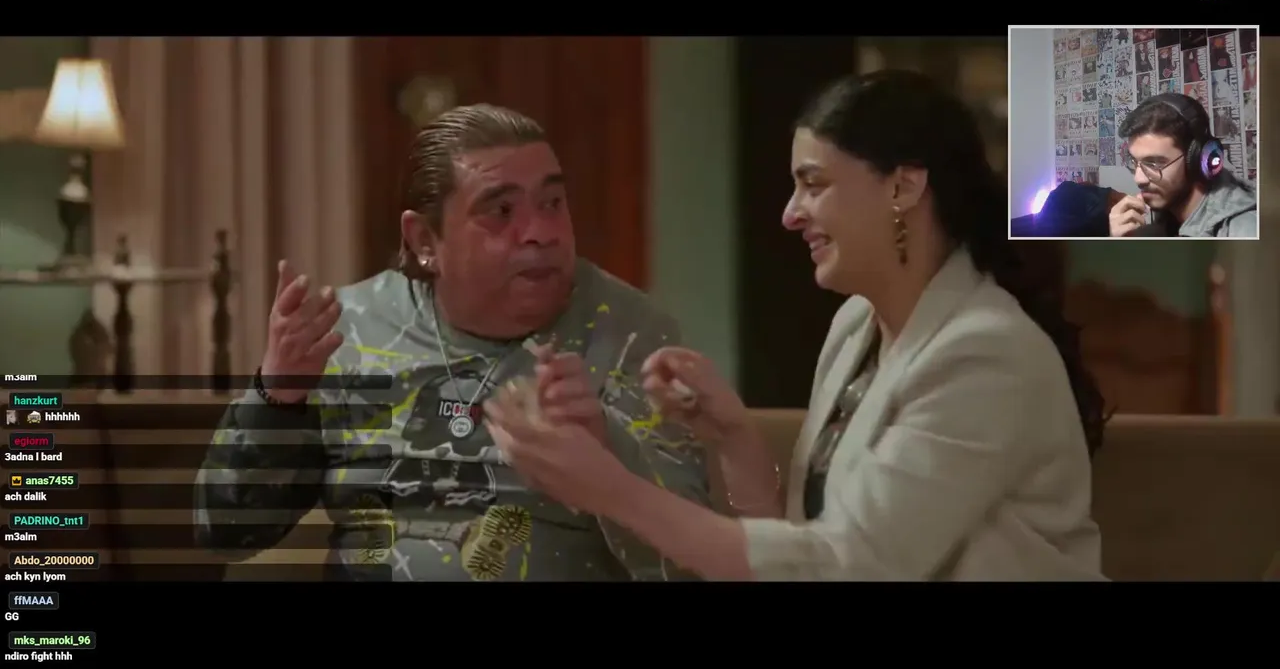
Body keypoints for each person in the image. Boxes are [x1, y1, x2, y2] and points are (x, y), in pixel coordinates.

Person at [485, 70, 1109, 581]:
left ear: (903, 186)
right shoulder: (856, 325)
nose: (790, 214)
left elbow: (847, 565)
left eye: (813, 185)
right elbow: (803, 548)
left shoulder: (986, 353)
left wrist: (607, 488)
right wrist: (733, 437)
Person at [195, 104, 710, 581]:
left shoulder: (630, 335)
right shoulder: (346, 332)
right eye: (501, 211)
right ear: (425, 241)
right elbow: (224, 531)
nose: (540, 232)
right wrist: (275, 398)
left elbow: (693, 563)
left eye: (552, 203)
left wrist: (605, 449)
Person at [1109, 93, 1257, 238]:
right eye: (1134, 161)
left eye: (1154, 163)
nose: (1139, 179)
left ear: (1196, 160)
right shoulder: (1165, 221)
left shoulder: (1245, 231)